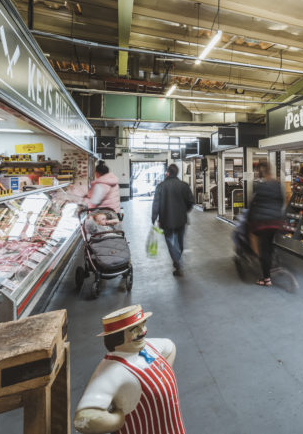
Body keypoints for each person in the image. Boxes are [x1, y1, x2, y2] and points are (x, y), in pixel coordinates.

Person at [74, 305, 186, 434]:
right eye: (134, 329)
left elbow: (170, 347)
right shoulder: (114, 371)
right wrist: (117, 420)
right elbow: (84, 419)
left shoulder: (149, 346)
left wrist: (162, 376)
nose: (143, 331)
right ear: (118, 336)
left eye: (143, 325)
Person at [152, 164, 194, 276]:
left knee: (170, 242)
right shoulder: (184, 185)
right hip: (181, 219)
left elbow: (156, 204)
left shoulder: (161, 186)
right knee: (180, 242)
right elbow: (191, 201)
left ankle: (177, 262)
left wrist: (154, 217)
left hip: (166, 220)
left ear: (168, 173)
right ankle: (178, 260)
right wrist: (185, 210)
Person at [247, 163, 284, 287]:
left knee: (263, 249)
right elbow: (282, 201)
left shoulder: (259, 186)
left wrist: (249, 219)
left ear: (261, 173)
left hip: (262, 222)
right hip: (276, 221)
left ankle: (266, 279)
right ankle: (274, 262)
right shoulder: (277, 185)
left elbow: (253, 204)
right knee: (270, 243)